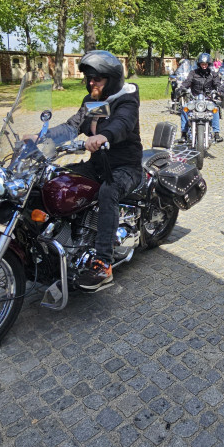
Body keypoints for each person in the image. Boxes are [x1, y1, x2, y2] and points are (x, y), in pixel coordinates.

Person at [41, 50, 143, 290]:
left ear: (111, 79)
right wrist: (41, 136)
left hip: (125, 166)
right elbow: (73, 125)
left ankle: (103, 263)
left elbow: (123, 123)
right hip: (98, 165)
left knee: (108, 192)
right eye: (89, 78)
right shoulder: (95, 101)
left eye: (97, 78)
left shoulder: (125, 98)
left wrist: (104, 136)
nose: (91, 83)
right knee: (59, 179)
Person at [180, 52, 223, 142]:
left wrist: (219, 89)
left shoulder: (213, 74)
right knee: (184, 109)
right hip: (195, 98)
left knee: (215, 109)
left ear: (209, 64)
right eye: (202, 64)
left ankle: (216, 133)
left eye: (206, 64)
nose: (204, 66)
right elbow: (188, 81)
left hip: (208, 99)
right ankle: (184, 134)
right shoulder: (193, 73)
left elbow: (217, 83)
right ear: (199, 64)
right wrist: (182, 87)